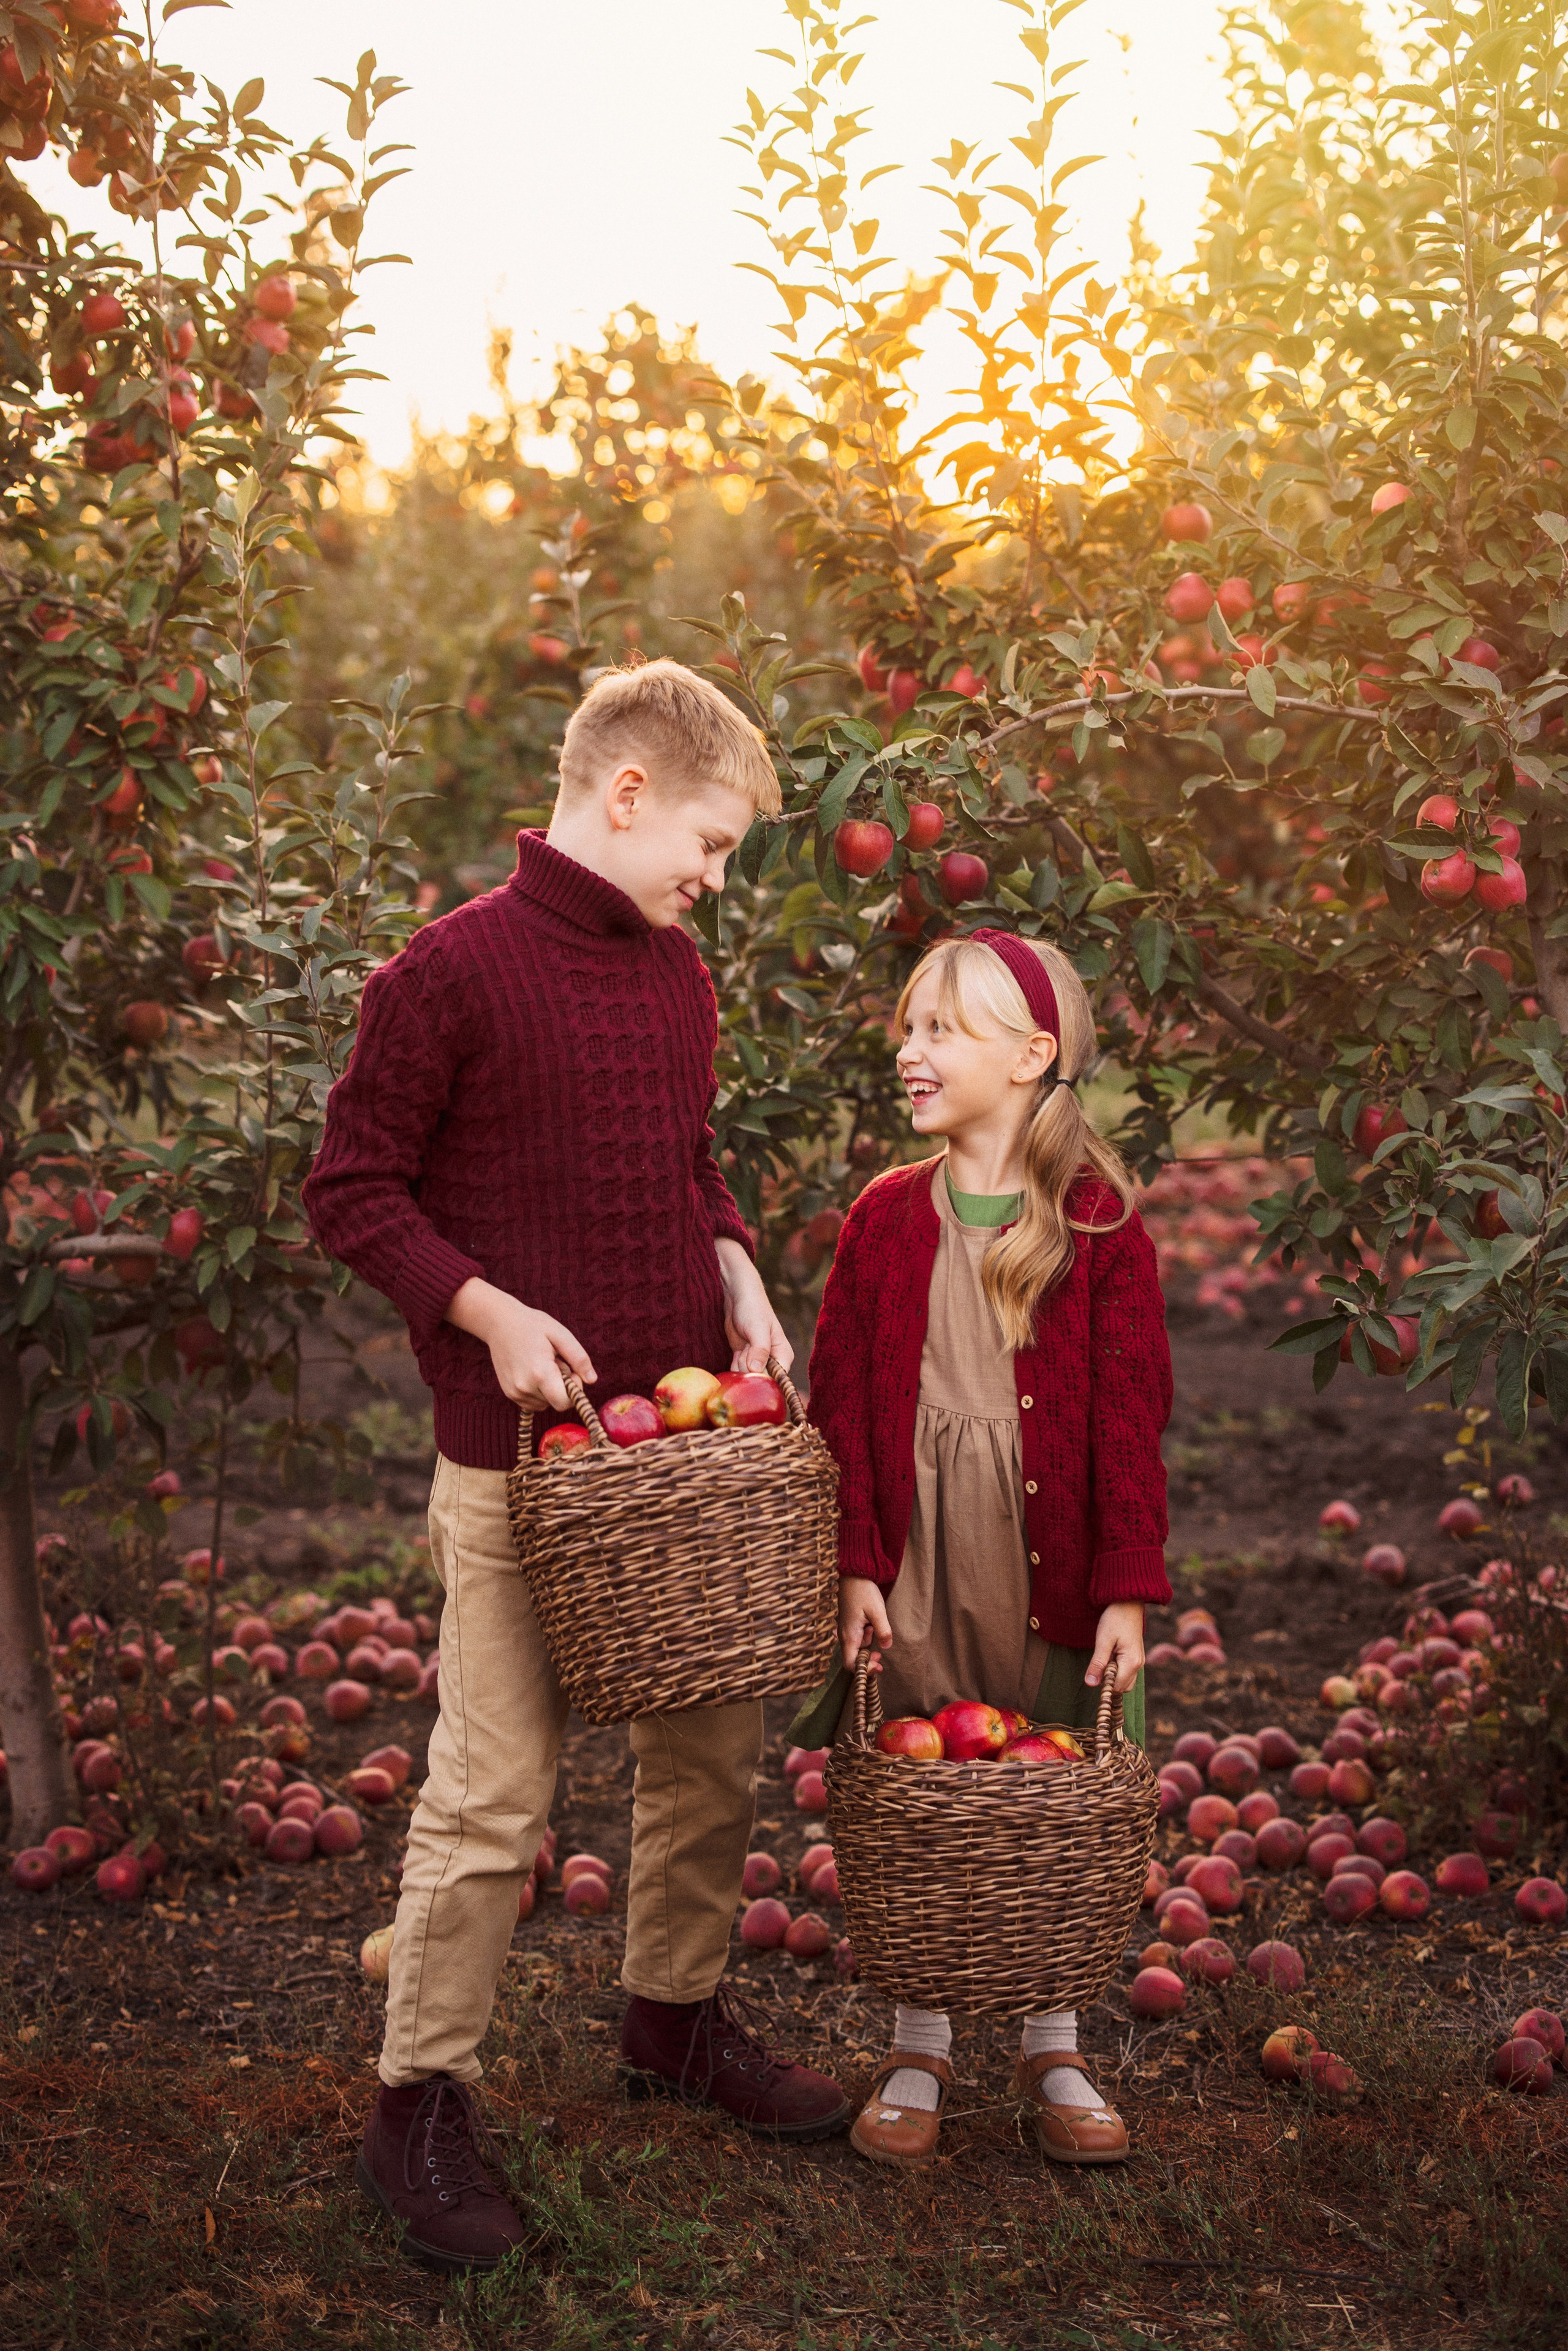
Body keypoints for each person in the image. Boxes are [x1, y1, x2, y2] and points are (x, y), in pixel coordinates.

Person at [303, 659, 850, 2275]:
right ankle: (418, 2098)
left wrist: (738, 1262)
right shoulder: (449, 974)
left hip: (681, 1462)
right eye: (714, 839)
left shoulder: (677, 974)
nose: (716, 875)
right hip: (520, 1461)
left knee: (707, 1759)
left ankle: (672, 2019)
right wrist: (481, 1309)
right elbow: (353, 1187)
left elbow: (684, 1157)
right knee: (489, 1794)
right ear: (626, 794)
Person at [807, 930, 1172, 2172]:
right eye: (906, 1026)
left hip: (1044, 1546)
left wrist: (1125, 1582)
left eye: (940, 1031)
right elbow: (839, 1406)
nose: (908, 1051)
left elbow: (1129, 1418)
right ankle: (919, 2038)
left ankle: (1051, 2038)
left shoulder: (1096, 1225)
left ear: (1032, 1054)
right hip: (916, 1541)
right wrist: (854, 1561)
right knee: (926, 1784)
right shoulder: (880, 1218)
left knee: (1041, 1785)